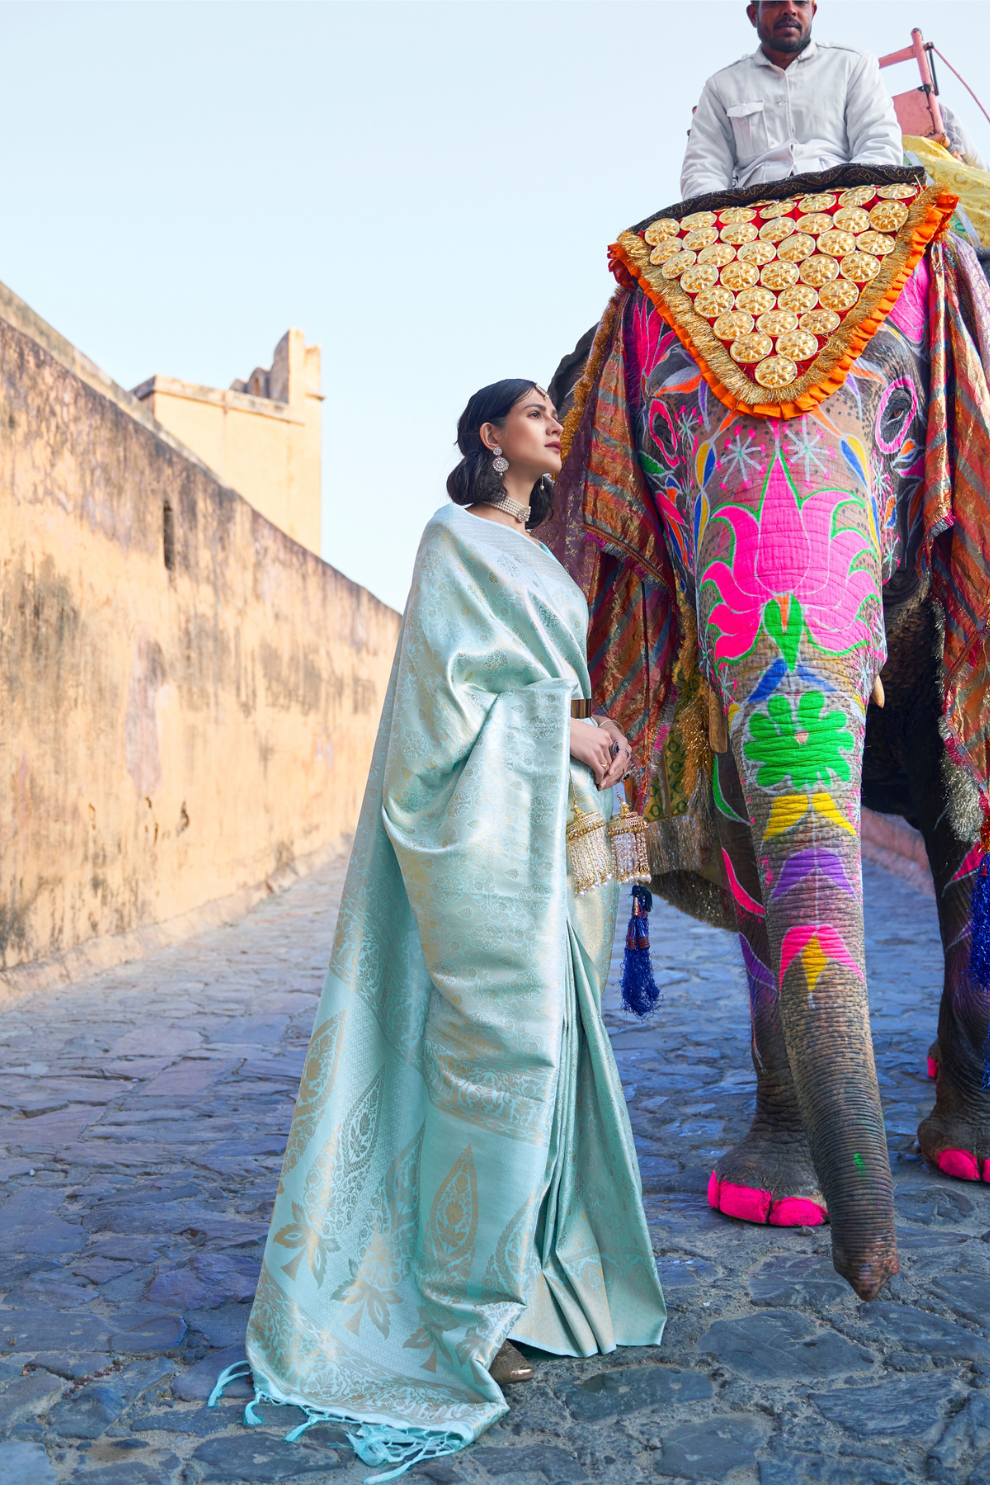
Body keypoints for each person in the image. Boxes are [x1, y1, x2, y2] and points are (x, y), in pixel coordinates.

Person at [211, 380, 667, 1480]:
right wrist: (553, 729)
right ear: (486, 437)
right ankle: (463, 1313)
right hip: (486, 835)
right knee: (499, 1056)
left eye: (556, 411)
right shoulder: (452, 540)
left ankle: (533, 1275)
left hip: (552, 837)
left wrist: (593, 734)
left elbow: (552, 688)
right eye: (533, 412)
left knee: (557, 1058)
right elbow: (435, 714)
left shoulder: (549, 560)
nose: (553, 423)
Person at [681, 0, 902, 197]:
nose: (789, 10)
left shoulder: (852, 65)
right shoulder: (721, 86)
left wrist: (850, 204)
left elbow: (880, 144)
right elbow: (703, 171)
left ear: (813, 11)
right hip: (753, 222)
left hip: (842, 206)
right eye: (775, 2)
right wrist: (727, 226)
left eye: (800, 2)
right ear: (752, 14)